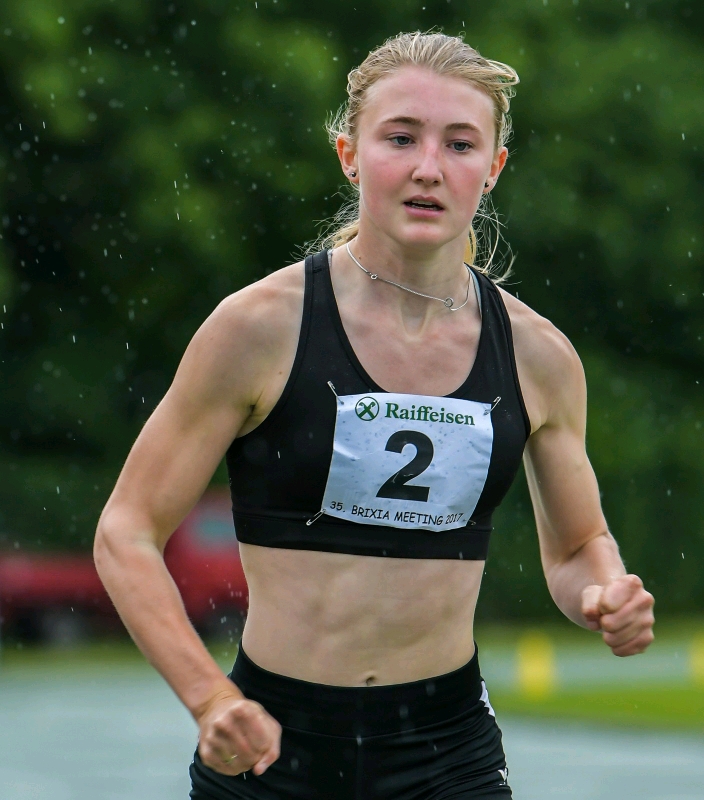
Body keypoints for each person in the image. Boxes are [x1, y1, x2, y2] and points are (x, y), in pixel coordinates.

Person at [94, 31, 655, 800]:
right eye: (400, 138)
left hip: (447, 757)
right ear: (349, 154)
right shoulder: (257, 329)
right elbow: (126, 532)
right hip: (271, 748)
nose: (429, 167)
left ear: (492, 168)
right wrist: (210, 698)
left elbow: (578, 547)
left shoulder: (539, 356)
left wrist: (605, 591)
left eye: (460, 144)